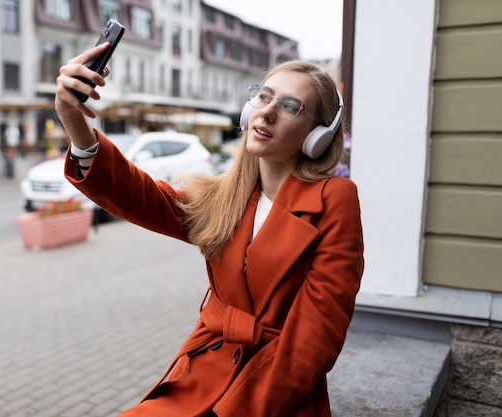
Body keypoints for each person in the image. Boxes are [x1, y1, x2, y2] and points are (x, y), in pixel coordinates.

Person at [55, 42, 364, 417]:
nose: (266, 112)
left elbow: (314, 340)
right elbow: (141, 196)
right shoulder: (227, 197)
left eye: (288, 107)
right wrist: (73, 119)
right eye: (264, 97)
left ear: (317, 136)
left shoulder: (335, 199)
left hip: (276, 395)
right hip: (204, 375)